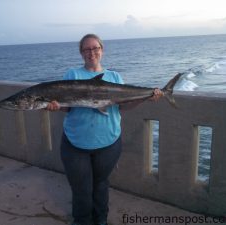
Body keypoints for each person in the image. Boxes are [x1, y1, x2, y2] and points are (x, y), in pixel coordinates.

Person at [46, 34, 163, 225]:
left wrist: (146, 97)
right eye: (86, 49)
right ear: (81, 53)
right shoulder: (72, 75)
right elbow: (68, 106)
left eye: (95, 48)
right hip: (76, 144)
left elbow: (122, 107)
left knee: (101, 185)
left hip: (108, 143)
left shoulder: (114, 76)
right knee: (81, 189)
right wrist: (54, 106)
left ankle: (101, 220)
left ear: (102, 49)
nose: (91, 52)